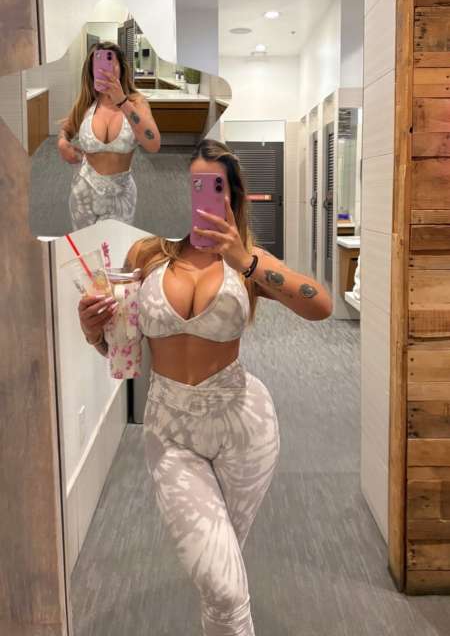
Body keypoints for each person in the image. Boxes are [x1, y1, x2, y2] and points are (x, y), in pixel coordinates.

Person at [77, 139, 333, 636]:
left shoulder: (247, 260)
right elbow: (120, 346)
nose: (200, 196)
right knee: (223, 584)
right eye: (191, 185)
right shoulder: (145, 255)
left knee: (221, 580)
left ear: (231, 195)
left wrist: (246, 260)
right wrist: (93, 329)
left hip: (245, 428)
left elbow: (319, 305)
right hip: (171, 432)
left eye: (213, 186)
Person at [58, 41, 161, 230]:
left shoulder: (136, 103)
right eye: (98, 65)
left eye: (111, 63)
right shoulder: (86, 103)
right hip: (83, 192)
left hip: (121, 195)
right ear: (91, 71)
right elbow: (66, 130)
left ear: (121, 67)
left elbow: (153, 144)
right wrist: (62, 143)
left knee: (116, 244)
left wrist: (122, 101)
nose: (106, 70)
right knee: (85, 243)